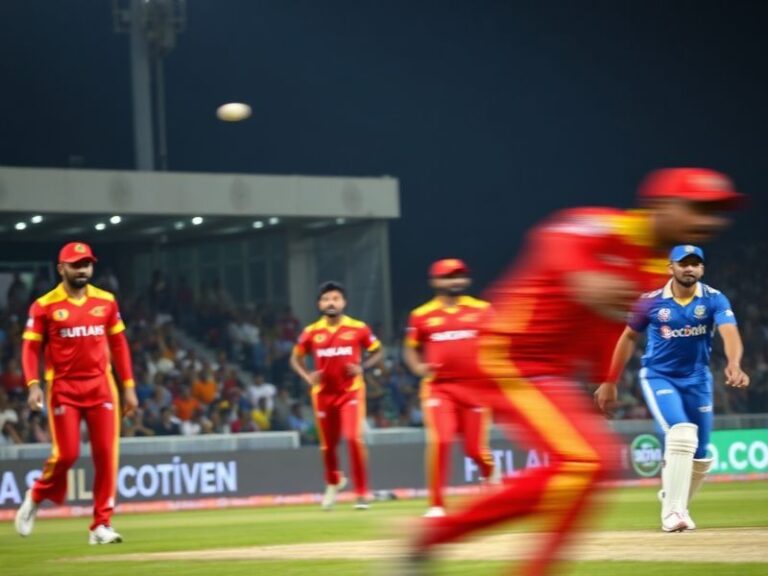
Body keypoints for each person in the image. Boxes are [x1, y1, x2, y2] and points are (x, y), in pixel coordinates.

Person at [401, 168, 745, 576]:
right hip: (506, 355)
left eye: (718, 213)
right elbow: (551, 239)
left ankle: (429, 539)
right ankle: (443, 540)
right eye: (700, 209)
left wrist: (608, 379)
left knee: (590, 465)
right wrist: (580, 273)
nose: (710, 223)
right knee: (588, 460)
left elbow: (610, 325)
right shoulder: (605, 225)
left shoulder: (655, 274)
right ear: (660, 206)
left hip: (552, 373)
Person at [595, 244, 749, 532]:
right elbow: (628, 338)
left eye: (695, 264)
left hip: (698, 379)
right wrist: (609, 380)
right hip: (659, 377)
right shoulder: (650, 302)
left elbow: (730, 332)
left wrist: (734, 363)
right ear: (671, 268)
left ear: (702, 269)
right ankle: (673, 513)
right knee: (681, 432)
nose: (689, 268)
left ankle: (674, 499)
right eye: (682, 263)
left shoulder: (715, 299)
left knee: (702, 455)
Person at [15, 242, 137, 544]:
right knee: (67, 454)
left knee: (106, 455)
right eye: (75, 264)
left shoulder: (106, 301)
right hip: (63, 389)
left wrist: (129, 386)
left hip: (101, 386)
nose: (82, 270)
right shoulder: (44, 305)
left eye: (86, 264)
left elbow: (119, 345)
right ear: (61, 269)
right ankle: (35, 496)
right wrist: (33, 385)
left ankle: (101, 525)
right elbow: (30, 349)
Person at [403, 258, 498, 518]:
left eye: (459, 276)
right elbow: (410, 349)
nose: (455, 281)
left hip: (476, 389)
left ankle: (489, 473)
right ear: (435, 282)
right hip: (439, 389)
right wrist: (419, 368)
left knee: (475, 450)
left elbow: (498, 342)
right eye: (448, 277)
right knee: (441, 440)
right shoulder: (421, 315)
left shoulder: (483, 309)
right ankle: (436, 505)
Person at [290, 281, 384, 510]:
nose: (331, 302)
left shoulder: (358, 328)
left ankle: (362, 493)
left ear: (344, 302)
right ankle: (333, 483)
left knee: (353, 438)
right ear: (319, 304)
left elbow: (379, 351)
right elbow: (295, 358)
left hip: (350, 392)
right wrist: (307, 376)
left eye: (335, 298)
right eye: (326, 299)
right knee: (328, 446)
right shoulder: (312, 332)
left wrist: (363, 367)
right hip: (323, 395)